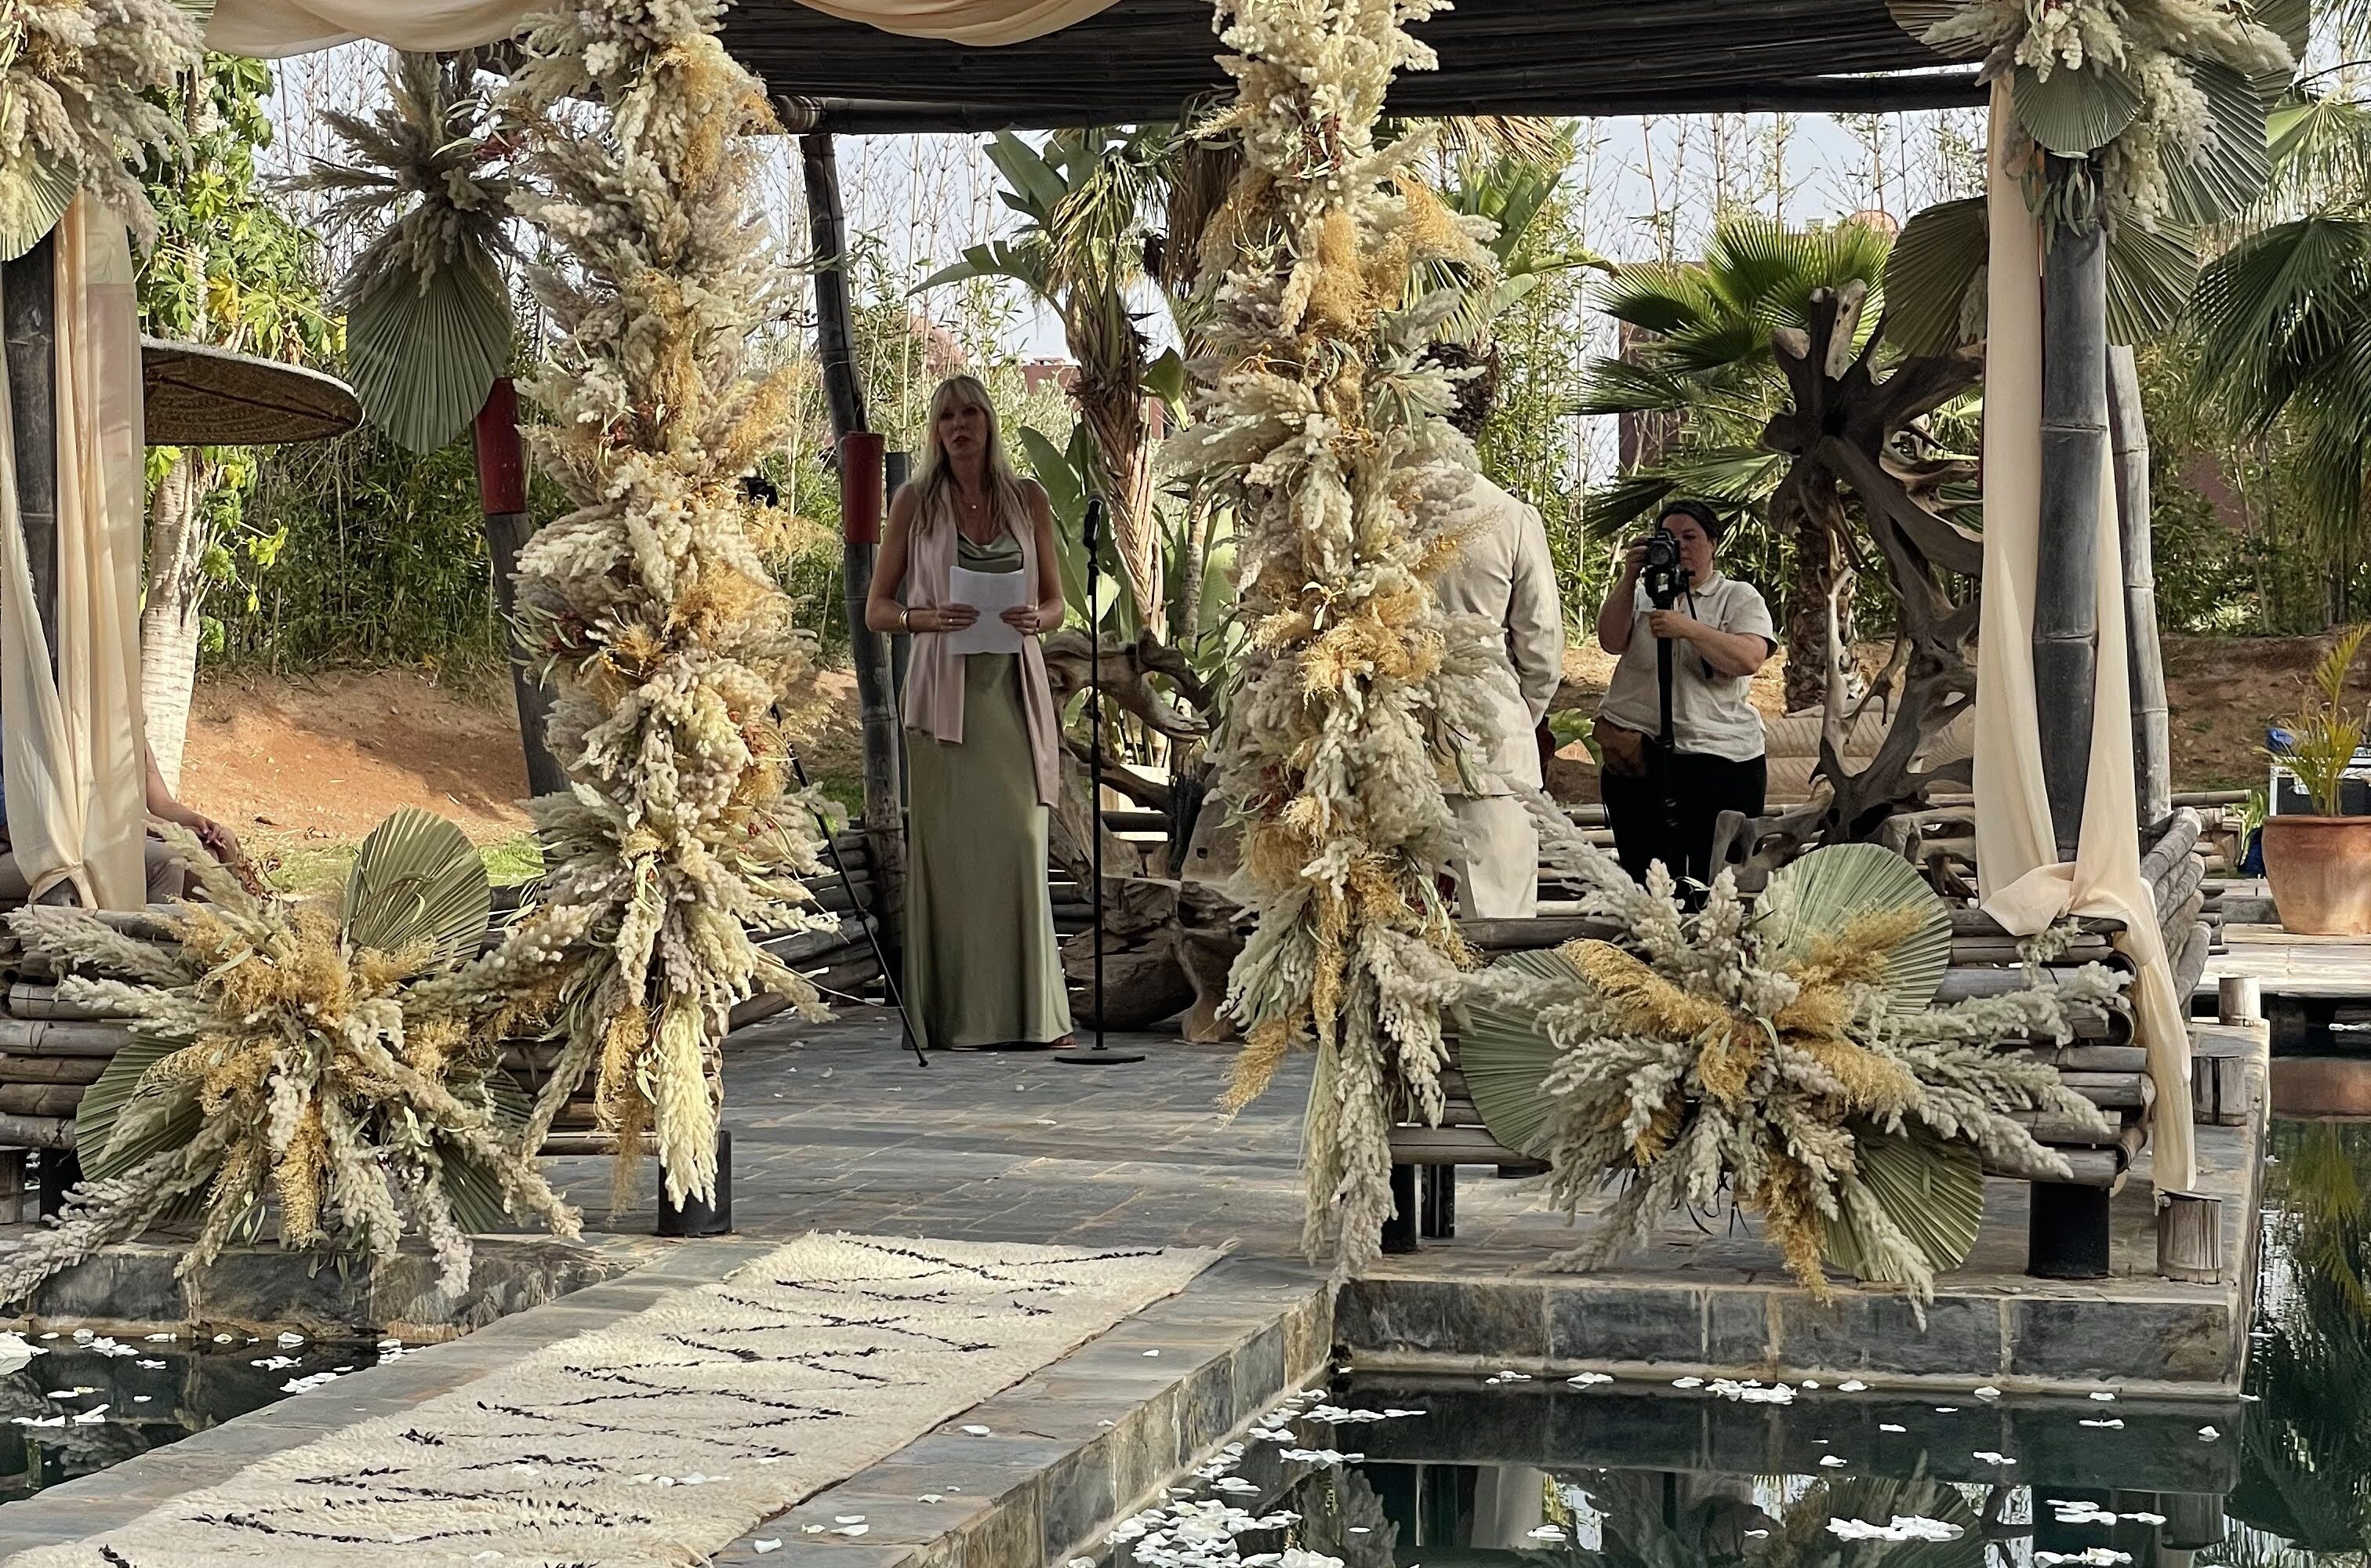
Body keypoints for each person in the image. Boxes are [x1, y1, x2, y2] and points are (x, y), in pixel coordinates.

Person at [864, 374, 1074, 1051]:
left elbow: (1055, 602)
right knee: (952, 861)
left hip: (1011, 691)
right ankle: (954, 1019)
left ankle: (1035, 1016)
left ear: (988, 422)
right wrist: (923, 618)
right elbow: (877, 610)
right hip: (941, 702)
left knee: (1022, 842)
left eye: (971, 414)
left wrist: (1036, 618)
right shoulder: (913, 501)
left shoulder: (1028, 499)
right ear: (936, 430)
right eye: (947, 416)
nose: (959, 426)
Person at [1430, 348, 1563, 918]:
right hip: (1492, 749)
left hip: (1388, 743)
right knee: (1501, 923)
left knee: (1394, 931)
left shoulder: (1374, 512)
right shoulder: (1509, 516)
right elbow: (1542, 649)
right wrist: (1512, 716)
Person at [1592, 499, 1775, 890]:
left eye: (1690, 537)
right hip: (1639, 754)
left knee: (1717, 882)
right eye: (1668, 538)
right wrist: (1629, 577)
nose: (1680, 547)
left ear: (1713, 543)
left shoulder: (1737, 596)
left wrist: (1688, 628)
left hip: (1720, 756)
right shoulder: (1641, 596)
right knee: (1647, 878)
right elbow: (1610, 640)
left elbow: (1749, 658)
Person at [0, 736, 242, 905]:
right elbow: (101, 810)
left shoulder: (133, 731)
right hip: (86, 834)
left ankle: (238, 929)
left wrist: (197, 821)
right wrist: (171, 831)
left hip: (121, 828)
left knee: (223, 841)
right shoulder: (87, 731)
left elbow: (162, 803)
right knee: (178, 858)